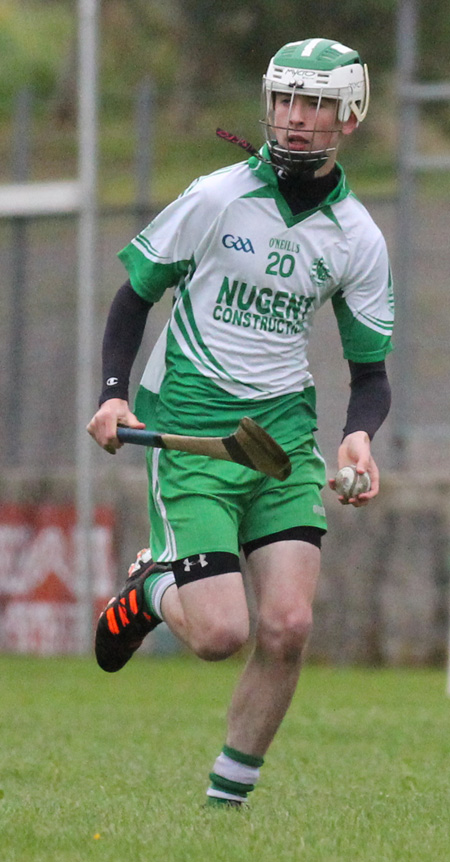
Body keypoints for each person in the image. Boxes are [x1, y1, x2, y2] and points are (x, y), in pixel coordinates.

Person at [87, 37, 394, 807]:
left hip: (279, 442)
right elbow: (134, 298)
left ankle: (226, 804)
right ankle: (153, 591)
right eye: (285, 100)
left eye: (314, 104)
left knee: (288, 625)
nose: (294, 119)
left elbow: (371, 376)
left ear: (348, 116)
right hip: (189, 429)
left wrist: (359, 436)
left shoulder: (358, 237)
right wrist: (114, 393)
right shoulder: (217, 197)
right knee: (220, 636)